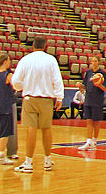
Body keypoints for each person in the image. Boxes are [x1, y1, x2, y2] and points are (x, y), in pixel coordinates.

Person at [11, 35, 64, 173]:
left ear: (33, 46)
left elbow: (15, 81)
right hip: (47, 99)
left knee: (31, 129)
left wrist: (22, 86)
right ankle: (47, 160)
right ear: (45, 46)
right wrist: (59, 97)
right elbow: (57, 80)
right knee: (46, 129)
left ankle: (28, 162)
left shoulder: (26, 60)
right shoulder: (51, 60)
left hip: (30, 98)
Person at [78, 55, 106, 151]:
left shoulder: (102, 73)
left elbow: (104, 88)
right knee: (89, 121)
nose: (93, 63)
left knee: (96, 122)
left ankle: (94, 141)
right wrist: (80, 85)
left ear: (98, 62)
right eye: (92, 61)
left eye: (95, 61)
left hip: (97, 100)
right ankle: (88, 142)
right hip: (88, 99)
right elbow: (85, 86)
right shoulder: (88, 73)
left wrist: (98, 85)